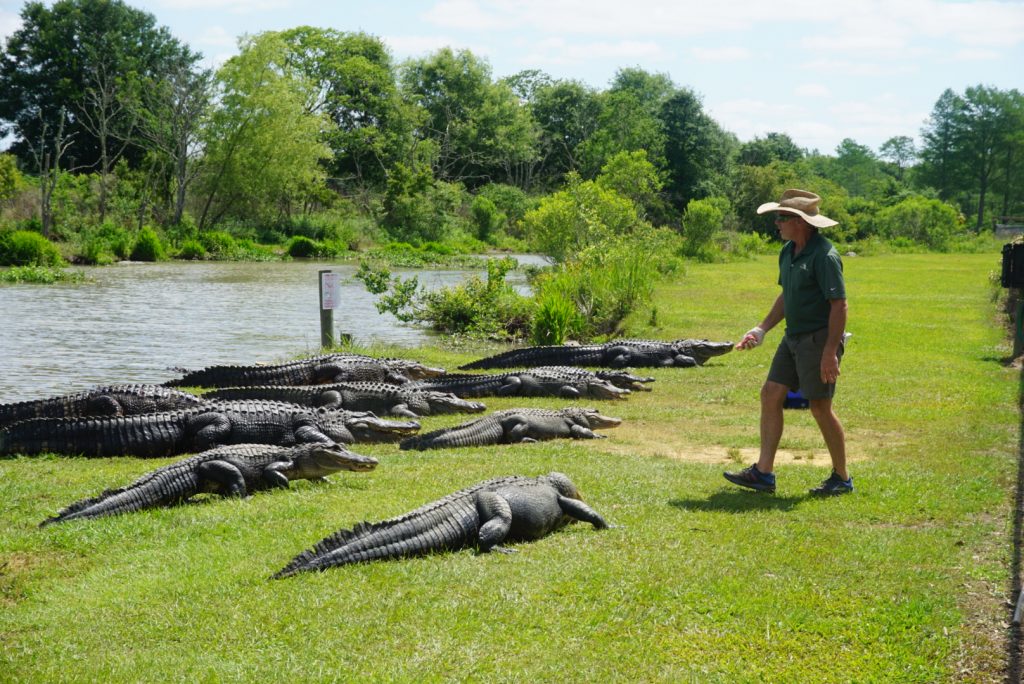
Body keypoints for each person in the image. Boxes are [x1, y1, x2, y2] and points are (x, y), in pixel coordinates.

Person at [723, 189, 852, 496]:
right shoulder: (788, 252)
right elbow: (787, 296)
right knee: (770, 394)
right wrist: (761, 329)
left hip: (818, 341)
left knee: (820, 407)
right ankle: (763, 473)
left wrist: (829, 352)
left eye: (781, 218)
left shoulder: (824, 256)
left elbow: (839, 306)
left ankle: (842, 478)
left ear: (801, 222)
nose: (777, 223)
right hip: (792, 338)